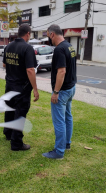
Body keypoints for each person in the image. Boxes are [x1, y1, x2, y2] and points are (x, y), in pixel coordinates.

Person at [42, 24, 77, 160]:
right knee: (68, 117)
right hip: (71, 88)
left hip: (62, 91)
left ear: (52, 34)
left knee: (59, 121)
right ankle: (66, 144)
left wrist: (56, 92)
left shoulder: (59, 50)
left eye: (47, 36)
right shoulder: (69, 46)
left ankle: (59, 151)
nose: (48, 39)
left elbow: (62, 71)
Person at [3, 23, 39, 151]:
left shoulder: (8, 46)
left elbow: (4, 65)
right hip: (22, 87)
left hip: (9, 84)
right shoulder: (27, 48)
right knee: (20, 112)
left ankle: (8, 133)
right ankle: (16, 142)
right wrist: (35, 88)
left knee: (10, 109)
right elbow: (30, 69)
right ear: (28, 33)